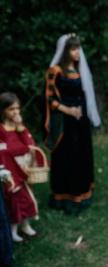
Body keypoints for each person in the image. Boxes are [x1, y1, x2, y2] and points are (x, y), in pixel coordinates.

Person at [44, 34, 101, 214]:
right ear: (65, 51)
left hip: (80, 121)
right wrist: (68, 110)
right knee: (66, 156)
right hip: (64, 122)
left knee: (81, 154)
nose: (78, 52)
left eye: (78, 48)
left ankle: (81, 191)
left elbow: (84, 94)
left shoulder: (79, 69)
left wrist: (82, 111)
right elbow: (49, 98)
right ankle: (64, 196)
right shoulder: (55, 71)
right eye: (73, 49)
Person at [0, 92, 38, 243]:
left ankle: (25, 224)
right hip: (11, 169)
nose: (16, 112)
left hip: (24, 167)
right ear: (3, 110)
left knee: (27, 198)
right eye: (11, 109)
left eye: (18, 108)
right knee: (15, 199)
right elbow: (3, 150)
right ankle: (13, 228)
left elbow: (30, 144)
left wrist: (21, 127)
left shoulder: (19, 127)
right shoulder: (1, 129)